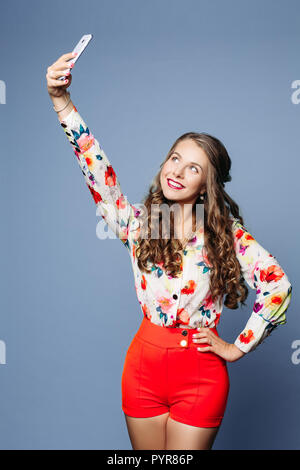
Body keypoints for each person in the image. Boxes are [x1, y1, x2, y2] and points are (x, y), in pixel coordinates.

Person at [46, 52, 293, 450]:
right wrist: (63, 103)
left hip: (201, 376)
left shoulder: (227, 236)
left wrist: (237, 347)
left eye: (193, 168)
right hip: (142, 369)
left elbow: (278, 286)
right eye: (175, 158)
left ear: (207, 185)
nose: (177, 171)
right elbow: (97, 171)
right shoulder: (143, 223)